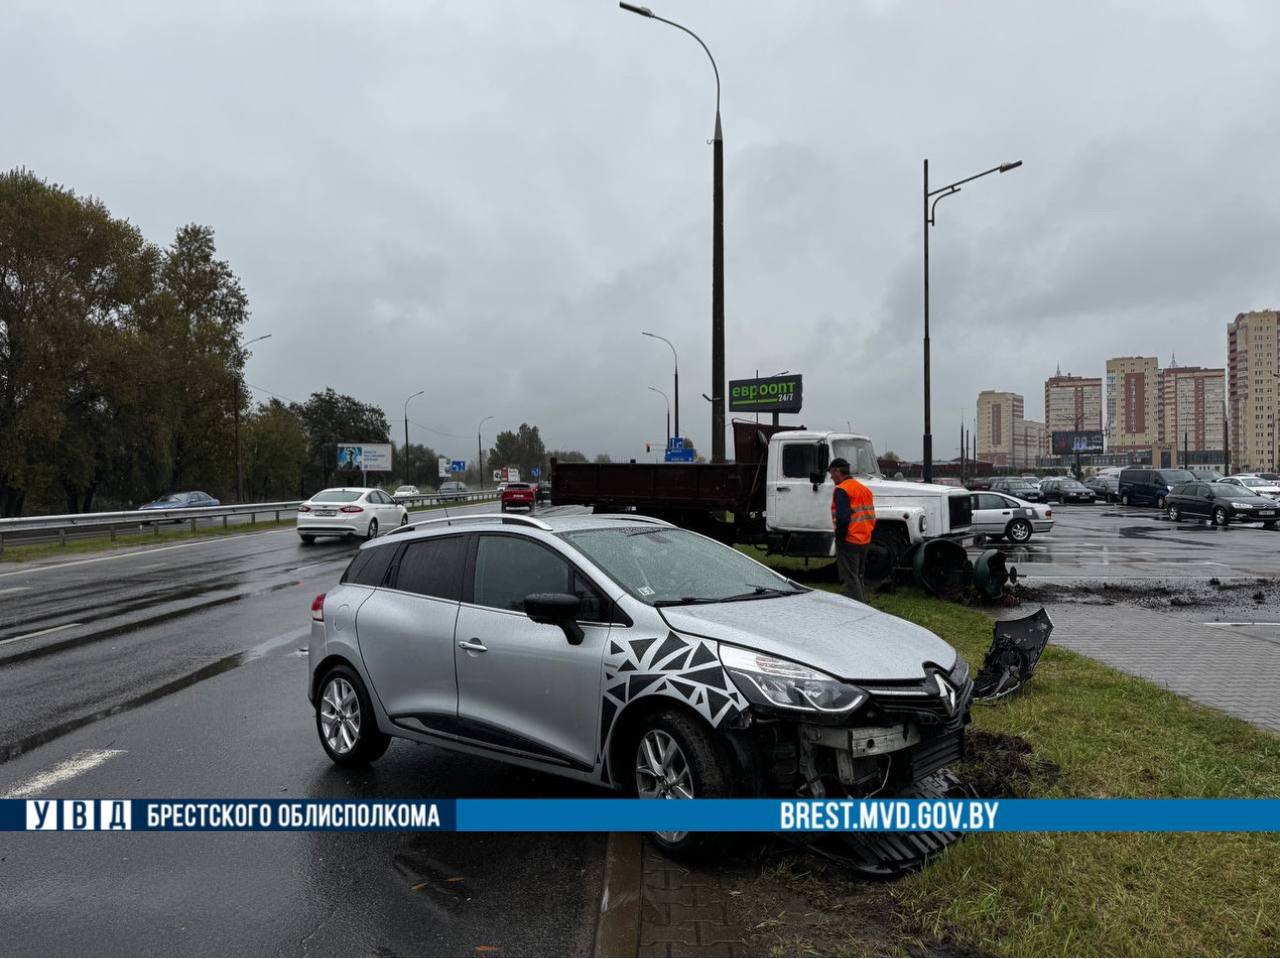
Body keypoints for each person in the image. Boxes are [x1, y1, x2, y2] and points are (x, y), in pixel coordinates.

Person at [828, 457, 876, 602]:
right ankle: (861, 603)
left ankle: (858, 608)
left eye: (831, 473)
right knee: (858, 576)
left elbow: (843, 518)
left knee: (850, 578)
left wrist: (840, 539)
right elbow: (870, 515)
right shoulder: (863, 489)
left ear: (837, 472)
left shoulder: (842, 490)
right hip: (864, 539)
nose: (831, 477)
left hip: (849, 541)